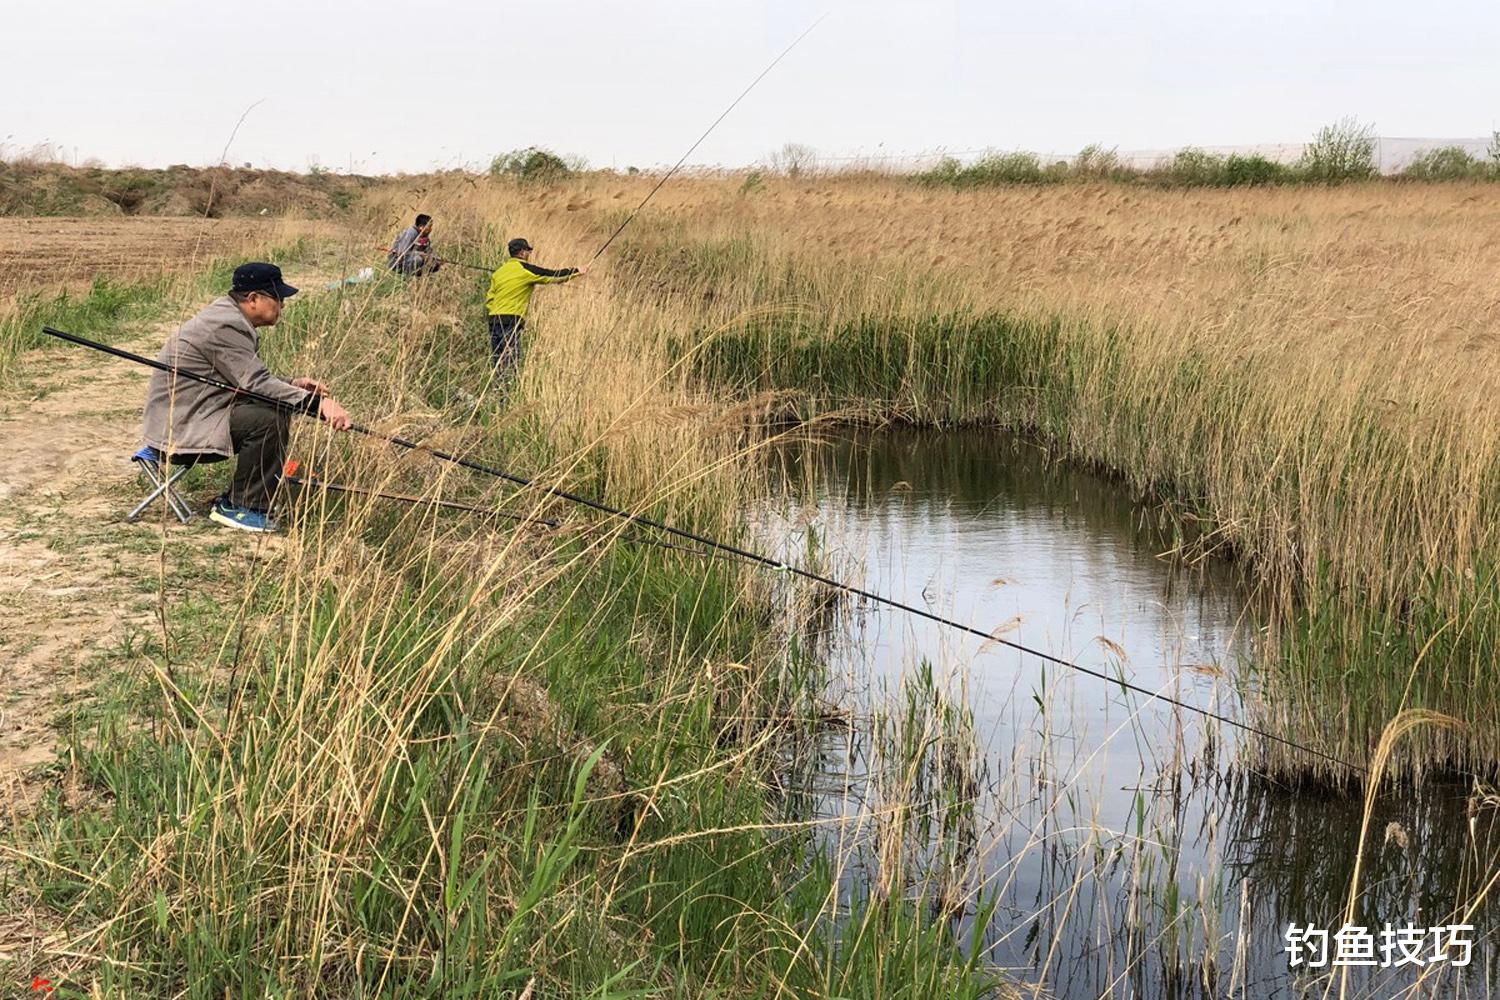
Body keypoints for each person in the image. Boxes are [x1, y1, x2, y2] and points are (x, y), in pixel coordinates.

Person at [140, 262, 353, 533]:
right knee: (268, 420)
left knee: (272, 408)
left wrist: (292, 385)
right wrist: (320, 404)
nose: (283, 306)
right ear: (253, 299)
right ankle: (242, 507)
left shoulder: (228, 317)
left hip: (190, 416)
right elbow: (256, 383)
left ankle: (244, 499)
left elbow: (243, 379)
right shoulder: (225, 325)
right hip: (176, 433)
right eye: (278, 298)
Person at [484, 238, 585, 373]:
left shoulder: (498, 272)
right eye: (527, 251)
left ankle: (498, 387)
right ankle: (510, 387)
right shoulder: (526, 269)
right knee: (511, 358)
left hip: (494, 319)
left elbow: (490, 299)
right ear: (521, 253)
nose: (528, 254)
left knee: (497, 359)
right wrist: (576, 271)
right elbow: (552, 275)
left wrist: (495, 311)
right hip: (511, 319)